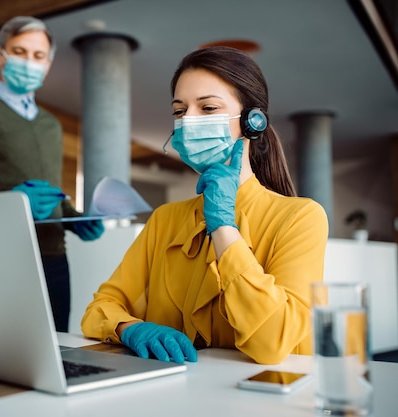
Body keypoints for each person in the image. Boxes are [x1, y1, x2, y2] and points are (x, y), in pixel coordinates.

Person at [81, 46, 329, 365]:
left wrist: (224, 227)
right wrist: (130, 328)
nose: (189, 121)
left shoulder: (301, 218)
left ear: (253, 121)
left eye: (208, 107)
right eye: (180, 111)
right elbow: (100, 308)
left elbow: (272, 342)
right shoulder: (164, 219)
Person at [0, 16, 104, 332]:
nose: (29, 62)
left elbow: (51, 194)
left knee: (57, 355)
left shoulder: (52, 125)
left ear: (48, 64)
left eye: (38, 56)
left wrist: (75, 217)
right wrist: (14, 200)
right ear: (1, 55)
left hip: (54, 260)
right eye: (20, 51)